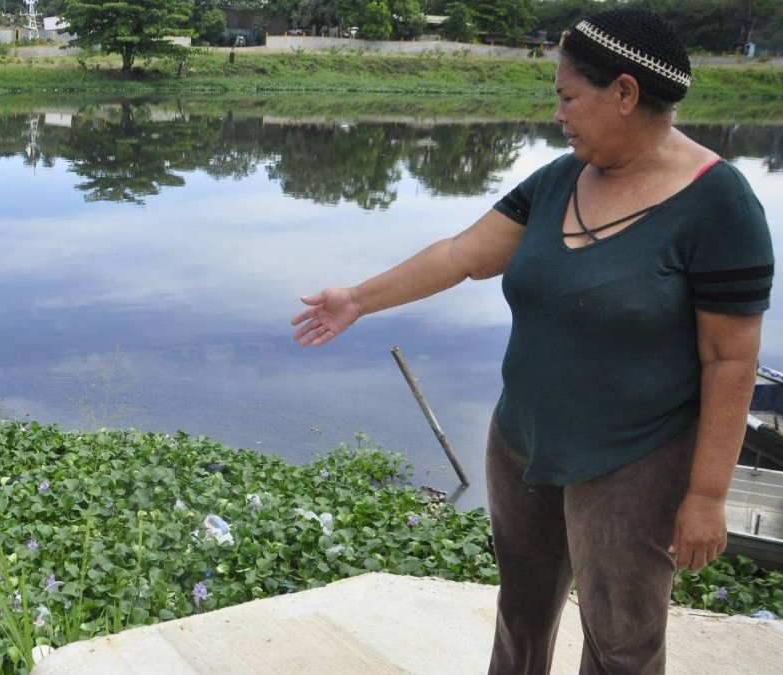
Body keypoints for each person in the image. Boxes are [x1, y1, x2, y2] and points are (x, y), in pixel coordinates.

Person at [291, 8, 773, 674]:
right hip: (522, 442)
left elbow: (730, 360)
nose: (558, 115)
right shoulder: (559, 180)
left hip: (633, 458)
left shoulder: (719, 204)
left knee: (621, 643)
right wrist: (358, 299)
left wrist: (708, 497)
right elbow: (461, 254)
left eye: (568, 97)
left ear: (625, 93)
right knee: (521, 615)